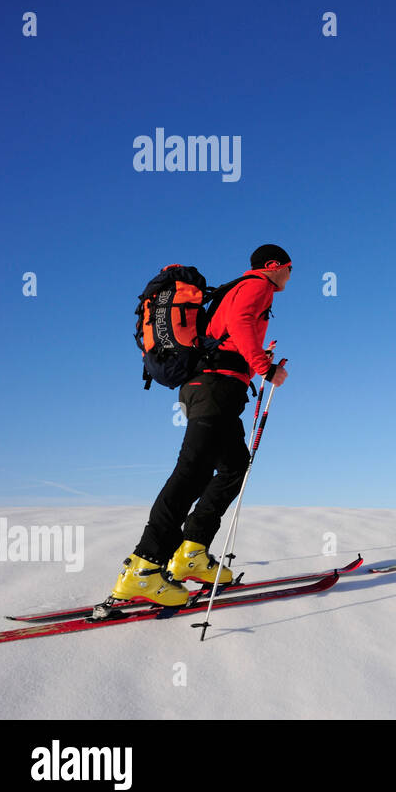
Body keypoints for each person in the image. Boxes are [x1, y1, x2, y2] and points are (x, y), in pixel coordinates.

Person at [108, 244, 293, 607]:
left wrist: (254, 355)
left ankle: (191, 551)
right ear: (273, 267)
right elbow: (239, 323)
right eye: (288, 268)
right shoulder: (257, 285)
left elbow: (228, 333)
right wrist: (264, 367)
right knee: (191, 472)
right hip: (214, 388)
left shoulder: (240, 290)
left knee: (233, 467)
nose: (289, 275)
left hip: (212, 388)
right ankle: (143, 569)